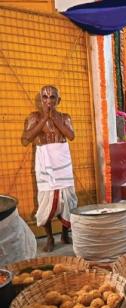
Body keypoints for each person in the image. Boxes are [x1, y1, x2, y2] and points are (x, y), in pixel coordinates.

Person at [21, 85, 77, 252]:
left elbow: (71, 136)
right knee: (45, 202)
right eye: (45, 97)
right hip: (45, 165)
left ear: (58, 100)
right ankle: (50, 238)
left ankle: (65, 234)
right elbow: (27, 138)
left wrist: (54, 118)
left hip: (63, 164)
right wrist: (45, 118)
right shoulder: (34, 117)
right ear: (40, 100)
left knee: (67, 201)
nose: (48, 100)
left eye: (52, 97)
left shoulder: (65, 117)